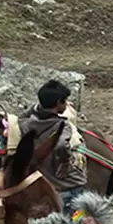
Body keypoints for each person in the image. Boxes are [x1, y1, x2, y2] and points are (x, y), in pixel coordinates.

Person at [19, 80, 86, 212]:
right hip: (69, 186)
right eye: (64, 101)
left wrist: (38, 106)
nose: (66, 104)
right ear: (57, 103)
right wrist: (65, 162)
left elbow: (21, 116)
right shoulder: (62, 125)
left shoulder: (28, 125)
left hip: (46, 180)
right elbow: (61, 145)